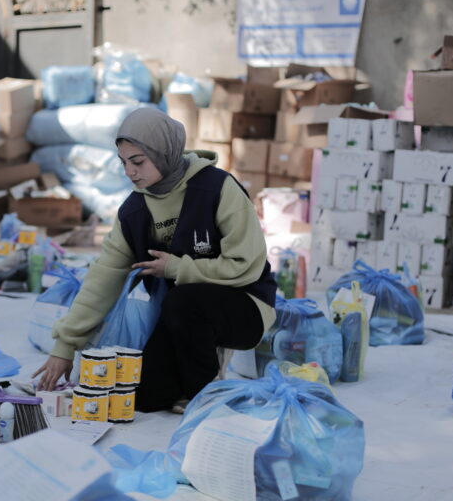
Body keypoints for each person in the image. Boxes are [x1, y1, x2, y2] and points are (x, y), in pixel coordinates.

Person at [33, 107, 277, 412]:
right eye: (124, 163)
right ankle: (192, 371)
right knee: (147, 398)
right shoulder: (134, 213)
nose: (129, 172)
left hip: (245, 306)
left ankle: (208, 392)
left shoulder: (216, 189)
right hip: (183, 317)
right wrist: (64, 347)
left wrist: (177, 267)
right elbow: (102, 278)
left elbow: (247, 264)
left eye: (138, 162)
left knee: (185, 301)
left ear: (164, 153)